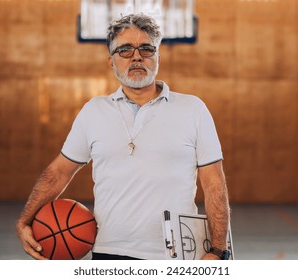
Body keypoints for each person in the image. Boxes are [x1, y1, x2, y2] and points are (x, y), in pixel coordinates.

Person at [16, 13, 230, 260]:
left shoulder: (193, 109)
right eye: (125, 50)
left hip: (177, 255)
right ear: (111, 61)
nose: (137, 56)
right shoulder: (94, 111)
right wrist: (25, 220)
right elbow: (58, 173)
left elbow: (214, 184)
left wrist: (218, 249)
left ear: (158, 57)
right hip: (109, 252)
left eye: (146, 49)